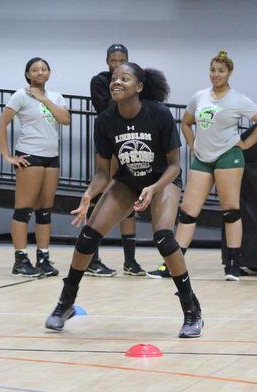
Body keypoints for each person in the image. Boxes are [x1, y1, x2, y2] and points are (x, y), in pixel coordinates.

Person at [45, 63, 204, 338]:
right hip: (128, 181)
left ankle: (192, 310)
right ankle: (65, 304)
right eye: (114, 78)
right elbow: (102, 173)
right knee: (87, 238)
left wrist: (153, 188)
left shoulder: (159, 114)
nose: (116, 82)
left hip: (162, 180)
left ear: (139, 87)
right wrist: (88, 194)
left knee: (165, 239)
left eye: (125, 78)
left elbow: (175, 166)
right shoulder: (106, 120)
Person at [146, 51, 257, 281]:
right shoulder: (200, 97)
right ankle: (173, 264)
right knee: (188, 212)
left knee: (230, 209)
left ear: (229, 73)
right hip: (203, 158)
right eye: (213, 70)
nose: (216, 74)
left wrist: (246, 143)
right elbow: (186, 123)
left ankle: (233, 265)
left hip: (228, 156)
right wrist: (192, 143)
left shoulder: (238, 99)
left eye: (221, 71)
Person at [0, 57, 71, 278]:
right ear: (28, 74)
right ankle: (20, 260)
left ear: (49, 72)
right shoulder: (21, 95)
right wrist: (7, 156)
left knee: (45, 209)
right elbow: (1, 123)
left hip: (51, 157)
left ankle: (43, 257)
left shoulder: (56, 97)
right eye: (34, 70)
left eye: (43, 69)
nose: (39, 72)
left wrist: (43, 99)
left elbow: (65, 119)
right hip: (30, 155)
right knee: (24, 208)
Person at [88, 43, 145, 277]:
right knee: (100, 197)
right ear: (107, 62)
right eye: (114, 60)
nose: (118, 64)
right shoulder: (101, 81)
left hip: (128, 145)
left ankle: (130, 261)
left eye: (122, 60)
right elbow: (107, 108)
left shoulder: (134, 80)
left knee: (129, 198)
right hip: (109, 144)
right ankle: (92, 258)